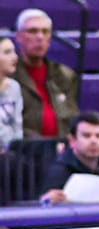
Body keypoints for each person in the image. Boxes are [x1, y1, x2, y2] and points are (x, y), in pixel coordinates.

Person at [13, 8, 78, 139]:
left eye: (45, 32)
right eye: (32, 31)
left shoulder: (65, 75)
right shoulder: (8, 75)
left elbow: (71, 118)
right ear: (18, 37)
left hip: (60, 151)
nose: (40, 37)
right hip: (23, 152)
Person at [40, 111, 99, 205]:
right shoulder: (59, 172)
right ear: (72, 140)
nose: (94, 141)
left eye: (98, 136)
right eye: (86, 136)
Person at [0, 37, 21, 151]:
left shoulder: (14, 87)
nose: (15, 57)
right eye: (7, 52)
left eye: (14, 52)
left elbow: (17, 126)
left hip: (10, 154)